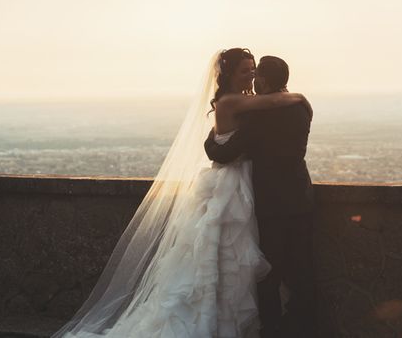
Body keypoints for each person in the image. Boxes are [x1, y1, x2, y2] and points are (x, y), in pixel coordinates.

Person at [52, 48, 311, 338]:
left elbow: (233, 139)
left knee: (236, 254)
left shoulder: (250, 103)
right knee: (225, 251)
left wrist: (212, 143)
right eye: (245, 70)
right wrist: (299, 96)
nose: (251, 74)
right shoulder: (235, 101)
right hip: (234, 185)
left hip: (246, 185)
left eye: (254, 69)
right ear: (228, 74)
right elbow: (270, 107)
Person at [205, 55, 318, 338]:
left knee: (269, 273)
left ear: (263, 80)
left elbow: (225, 153)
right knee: (302, 271)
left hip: (270, 203)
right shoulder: (303, 107)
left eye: (256, 75)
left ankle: (273, 329)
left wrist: (210, 140)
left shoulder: (260, 115)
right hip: (301, 197)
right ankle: (305, 326)